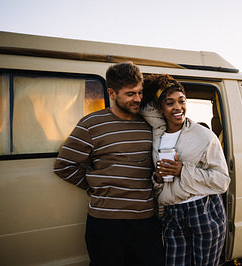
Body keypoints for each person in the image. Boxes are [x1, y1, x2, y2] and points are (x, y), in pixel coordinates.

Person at [53, 62, 164, 266]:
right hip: (106, 225)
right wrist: (96, 186)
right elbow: (64, 166)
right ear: (112, 93)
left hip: (146, 222)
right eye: (130, 94)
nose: (138, 99)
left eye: (140, 93)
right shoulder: (91, 124)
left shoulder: (149, 123)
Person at [141, 74, 230, 266]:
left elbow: (222, 180)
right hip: (173, 213)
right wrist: (158, 177)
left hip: (204, 210)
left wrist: (183, 170)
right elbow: (144, 108)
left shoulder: (204, 136)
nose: (178, 107)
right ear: (160, 108)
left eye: (181, 101)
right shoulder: (157, 135)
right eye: (169, 102)